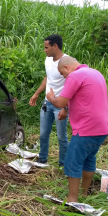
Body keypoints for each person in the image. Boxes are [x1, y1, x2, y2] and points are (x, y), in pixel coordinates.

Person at [46, 56, 108, 202]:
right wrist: (66, 108)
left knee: (72, 161)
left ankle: (72, 199)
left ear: (66, 68)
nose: (64, 77)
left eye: (63, 74)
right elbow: (85, 97)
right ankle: (83, 194)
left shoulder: (75, 76)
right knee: (89, 158)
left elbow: (59, 101)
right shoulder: (95, 73)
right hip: (103, 127)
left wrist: (51, 97)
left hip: (86, 127)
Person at [29, 34, 69, 166]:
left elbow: (71, 86)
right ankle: (42, 158)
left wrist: (65, 108)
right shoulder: (48, 60)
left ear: (55, 46)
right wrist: (36, 94)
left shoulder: (66, 63)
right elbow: (47, 78)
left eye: (46, 47)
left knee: (61, 137)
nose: (44, 50)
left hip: (60, 105)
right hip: (47, 103)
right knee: (43, 134)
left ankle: (63, 163)